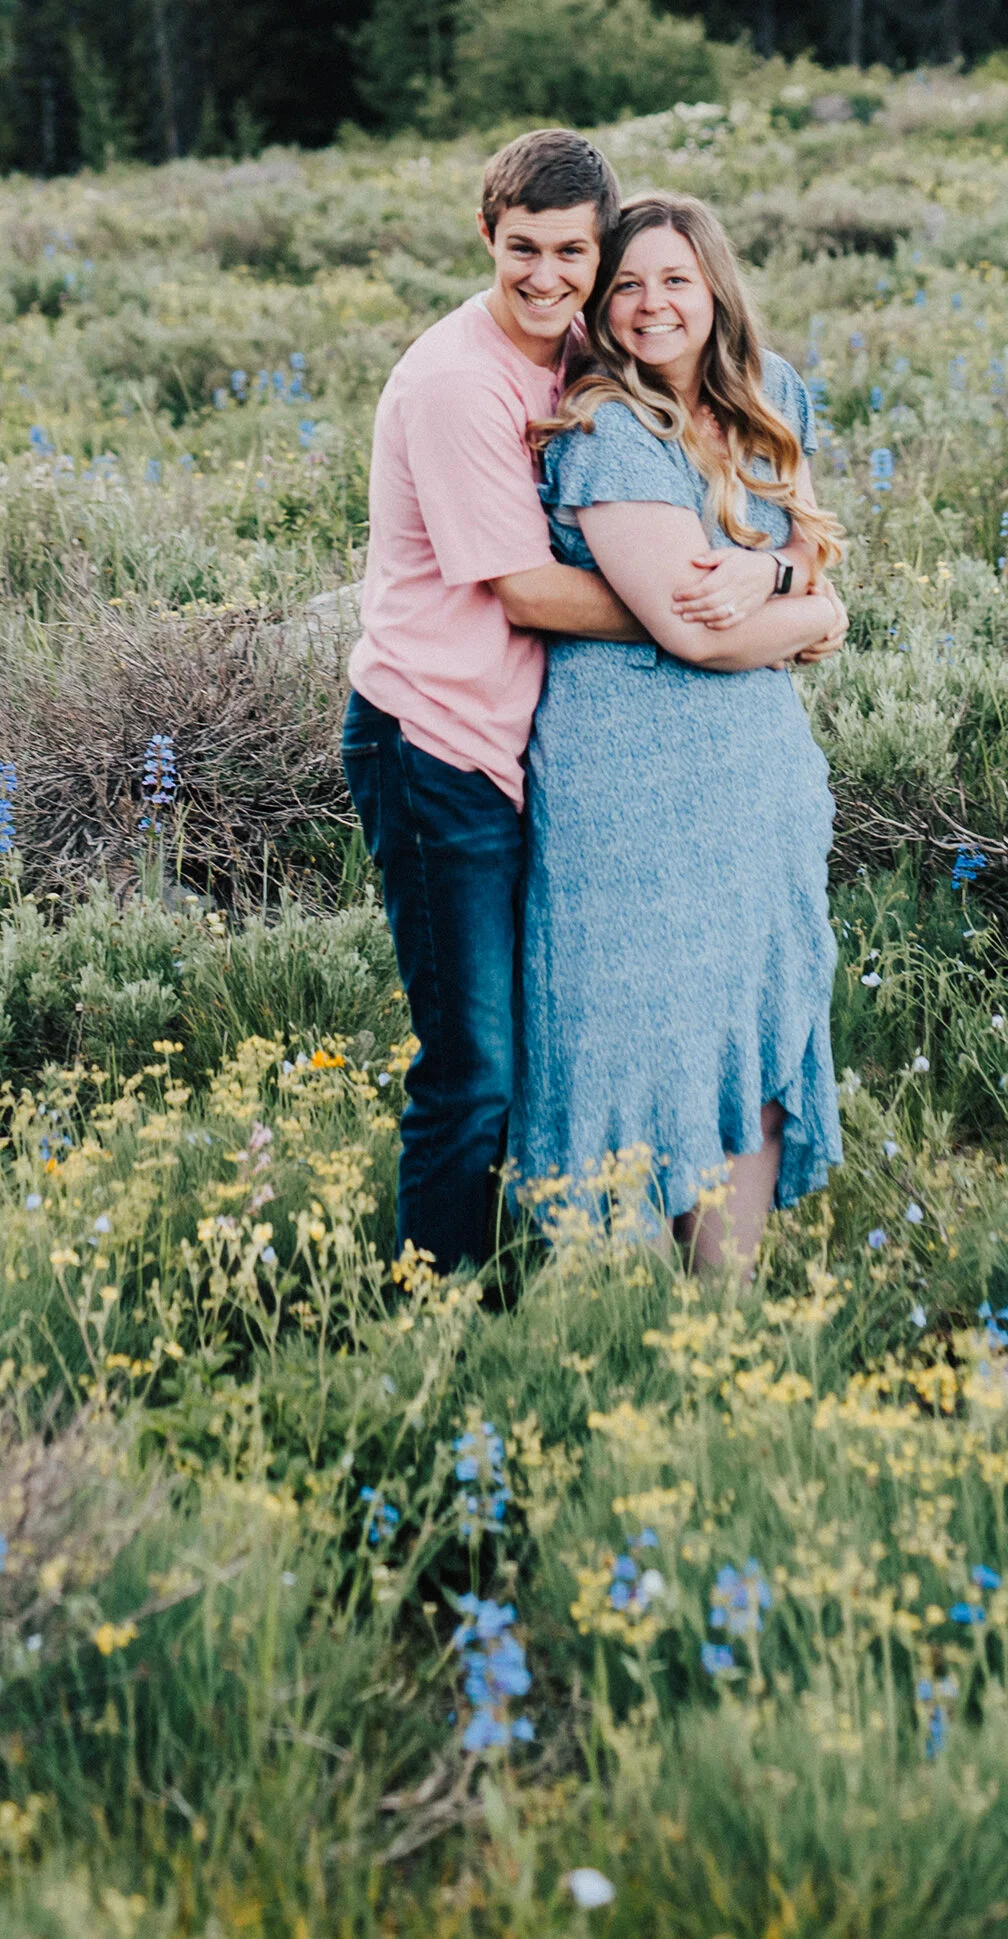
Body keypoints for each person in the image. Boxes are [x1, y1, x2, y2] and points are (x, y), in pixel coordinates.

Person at [342, 130, 785, 1274]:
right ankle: (437, 1318)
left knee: (541, 1049)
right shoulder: (456, 381)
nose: (547, 275)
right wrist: (705, 614)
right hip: (435, 746)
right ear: (487, 236)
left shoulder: (584, 341)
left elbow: (717, 425)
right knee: (474, 1063)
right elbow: (528, 590)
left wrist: (781, 572)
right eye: (523, 248)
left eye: (572, 253)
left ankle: (531, 1284)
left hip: (535, 753)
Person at [514, 190, 848, 1273]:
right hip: (632, 784)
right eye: (625, 286)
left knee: (745, 1037)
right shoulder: (609, 426)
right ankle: (621, 1302)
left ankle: (725, 1313)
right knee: (650, 1034)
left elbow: (809, 559)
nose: (651, 304)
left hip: (757, 778)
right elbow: (692, 630)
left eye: (674, 280)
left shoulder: (770, 395)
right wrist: (818, 613)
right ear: (601, 309)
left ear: (714, 288)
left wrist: (784, 576)